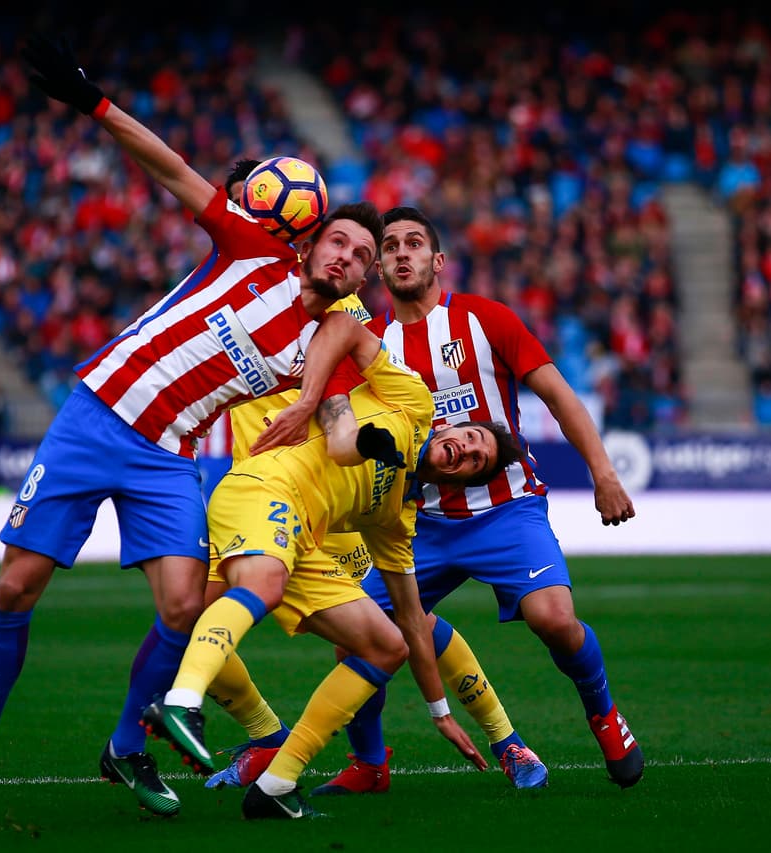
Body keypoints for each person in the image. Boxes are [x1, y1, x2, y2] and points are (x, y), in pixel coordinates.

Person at [0, 37, 383, 818]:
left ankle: (126, 746)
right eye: (341, 240)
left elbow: (339, 428)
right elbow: (170, 167)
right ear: (311, 238)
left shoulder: (328, 345)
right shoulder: (253, 248)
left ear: (363, 279)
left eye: (363, 257)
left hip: (169, 457)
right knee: (16, 584)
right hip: (97, 417)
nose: (347, 257)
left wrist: (376, 452)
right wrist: (93, 101)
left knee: (181, 607)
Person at [255, 206, 645, 790]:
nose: (402, 253)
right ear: (378, 267)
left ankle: (604, 712)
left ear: (437, 261)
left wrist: (603, 473)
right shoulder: (373, 343)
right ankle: (369, 764)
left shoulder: (487, 321)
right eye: (390, 246)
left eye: (414, 243)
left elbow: (559, 395)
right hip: (418, 524)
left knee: (554, 619)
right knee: (358, 639)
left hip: (506, 510)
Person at [197, 161, 548, 795]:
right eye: (247, 208)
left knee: (398, 629)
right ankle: (272, 739)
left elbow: (342, 350)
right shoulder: (241, 291)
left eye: (265, 208)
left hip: (333, 490)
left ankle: (501, 737)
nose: (257, 219)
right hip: (260, 485)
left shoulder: (338, 293)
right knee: (185, 609)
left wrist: (322, 415)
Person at [141, 313, 525, 819]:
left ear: (457, 483)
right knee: (233, 598)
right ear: (452, 426)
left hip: (303, 540)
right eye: (472, 438)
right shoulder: (413, 402)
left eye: (476, 460)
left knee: (383, 645)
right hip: (264, 488)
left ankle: (277, 783)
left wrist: (441, 713)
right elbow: (344, 324)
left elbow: (412, 618)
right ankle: (183, 701)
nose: (466, 450)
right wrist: (310, 403)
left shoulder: (396, 518)